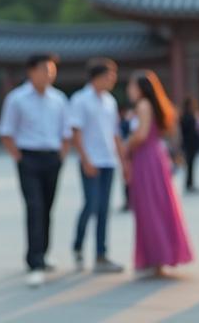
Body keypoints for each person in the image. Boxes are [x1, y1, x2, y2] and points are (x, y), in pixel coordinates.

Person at [0, 53, 70, 288]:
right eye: (45, 70)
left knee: (48, 208)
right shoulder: (17, 99)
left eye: (52, 70)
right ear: (31, 71)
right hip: (28, 158)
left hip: (52, 158)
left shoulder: (59, 99)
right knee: (34, 207)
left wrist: (61, 156)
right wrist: (19, 157)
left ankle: (44, 252)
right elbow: (6, 132)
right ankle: (34, 262)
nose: (49, 74)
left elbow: (66, 132)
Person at [124, 70, 193, 276]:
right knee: (158, 206)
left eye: (131, 85)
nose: (129, 90)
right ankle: (158, 256)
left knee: (150, 208)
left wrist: (126, 145)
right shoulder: (151, 105)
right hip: (155, 157)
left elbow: (142, 134)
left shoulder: (143, 106)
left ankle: (156, 257)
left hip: (146, 159)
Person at [67, 58, 128, 274]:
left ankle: (101, 254)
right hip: (91, 160)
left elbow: (115, 134)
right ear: (97, 77)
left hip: (108, 160)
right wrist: (85, 159)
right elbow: (76, 131)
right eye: (109, 76)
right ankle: (78, 245)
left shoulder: (110, 101)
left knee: (104, 209)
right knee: (91, 205)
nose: (112, 80)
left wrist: (123, 161)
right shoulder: (80, 100)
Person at [178, 98, 199, 193]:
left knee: (190, 164)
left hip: (188, 142)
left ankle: (190, 183)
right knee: (190, 164)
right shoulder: (188, 116)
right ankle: (189, 183)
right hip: (190, 143)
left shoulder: (184, 116)